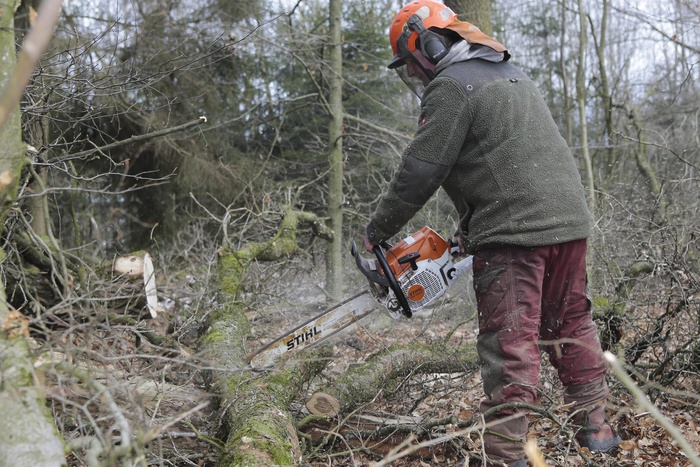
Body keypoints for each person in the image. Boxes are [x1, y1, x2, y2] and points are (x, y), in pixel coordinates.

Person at [363, 1, 622, 465]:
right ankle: (597, 428)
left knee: (510, 338)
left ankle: (506, 454)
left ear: (429, 44)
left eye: (412, 62)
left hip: (516, 233)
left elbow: (421, 171)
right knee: (572, 322)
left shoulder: (452, 86)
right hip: (568, 221)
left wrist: (376, 231)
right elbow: (504, 162)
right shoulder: (513, 75)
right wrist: (470, 229)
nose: (415, 75)